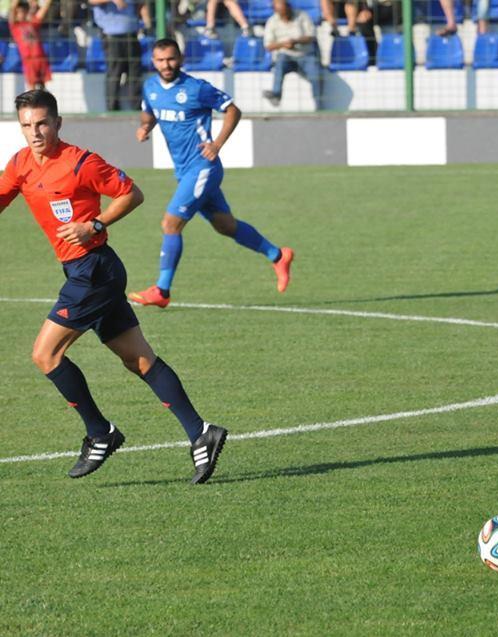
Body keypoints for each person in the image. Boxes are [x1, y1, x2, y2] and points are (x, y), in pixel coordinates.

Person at [0, 89, 227, 484]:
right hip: (83, 273)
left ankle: (99, 432)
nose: (34, 132)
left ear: (57, 123)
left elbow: (132, 194)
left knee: (45, 355)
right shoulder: (20, 163)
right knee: (139, 360)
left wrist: (94, 225)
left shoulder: (81, 163)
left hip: (94, 271)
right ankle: (201, 432)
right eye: (26, 125)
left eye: (42, 123)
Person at [130, 38, 294, 308]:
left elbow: (233, 110)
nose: (166, 65)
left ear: (180, 59)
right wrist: (145, 128)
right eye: (160, 60)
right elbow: (149, 114)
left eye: (171, 59)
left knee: (170, 224)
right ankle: (278, 255)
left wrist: (216, 144)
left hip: (203, 167)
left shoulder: (197, 88)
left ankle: (162, 291)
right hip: (184, 171)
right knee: (225, 225)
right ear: (153, 62)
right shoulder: (150, 87)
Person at [89, 0, 151, 111]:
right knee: (114, 73)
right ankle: (112, 109)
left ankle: (136, 108)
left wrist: (147, 23)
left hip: (132, 34)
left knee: (135, 73)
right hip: (112, 36)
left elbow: (141, 4)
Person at [262, 0, 323, 110]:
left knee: (316, 74)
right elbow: (268, 46)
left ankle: (319, 105)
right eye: (282, 14)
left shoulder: (302, 15)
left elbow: (311, 36)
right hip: (286, 55)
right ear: (276, 12)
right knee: (280, 63)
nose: (285, 16)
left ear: (289, 7)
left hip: (305, 54)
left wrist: (295, 41)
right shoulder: (271, 21)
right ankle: (276, 94)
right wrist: (283, 44)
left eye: (286, 12)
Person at [10, 0, 53, 90]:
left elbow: (43, 10)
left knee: (43, 88)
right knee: (31, 89)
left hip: (40, 58)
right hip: (28, 60)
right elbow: (12, 8)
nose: (21, 14)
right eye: (18, 12)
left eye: (23, 11)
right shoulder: (15, 26)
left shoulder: (32, 23)